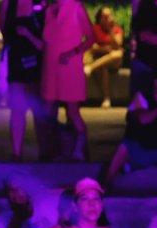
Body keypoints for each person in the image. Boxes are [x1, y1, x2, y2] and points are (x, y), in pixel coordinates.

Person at [40, 0, 93, 161]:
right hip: (51, 66)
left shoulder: (76, 7)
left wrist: (72, 53)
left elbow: (91, 38)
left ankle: (80, 147)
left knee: (72, 111)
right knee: (48, 111)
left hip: (70, 66)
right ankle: (55, 149)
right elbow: (47, 39)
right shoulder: (49, 9)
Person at [0, 0, 44, 161]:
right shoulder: (8, 4)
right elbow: (5, 30)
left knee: (38, 109)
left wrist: (28, 35)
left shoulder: (40, 3)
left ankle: (44, 151)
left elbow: (44, 33)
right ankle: (17, 152)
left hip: (36, 60)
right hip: (17, 59)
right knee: (18, 108)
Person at [85, 8, 124, 108]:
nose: (107, 19)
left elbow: (117, 45)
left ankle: (91, 68)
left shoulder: (117, 29)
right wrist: (107, 49)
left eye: (109, 16)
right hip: (101, 61)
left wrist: (111, 31)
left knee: (118, 54)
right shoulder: (95, 28)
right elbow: (93, 47)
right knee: (103, 68)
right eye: (105, 17)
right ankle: (106, 98)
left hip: (113, 61)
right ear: (100, 18)